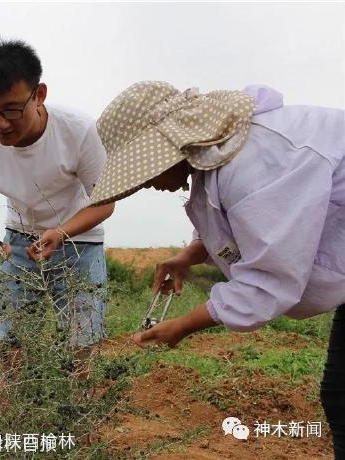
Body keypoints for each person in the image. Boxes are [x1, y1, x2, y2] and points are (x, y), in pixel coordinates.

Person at [89, 81, 344, 457]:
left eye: (145, 171)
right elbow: (244, 226)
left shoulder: (257, 162)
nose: (146, 184)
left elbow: (267, 282)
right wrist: (190, 255)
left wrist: (181, 326)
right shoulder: (224, 156)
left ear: (168, 148)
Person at [0, 39, 114, 348]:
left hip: (78, 241)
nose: (0, 124)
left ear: (39, 95)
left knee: (81, 344)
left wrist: (59, 232)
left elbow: (104, 204)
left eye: (12, 110)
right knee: (11, 344)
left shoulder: (79, 131)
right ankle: (11, 398)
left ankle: (79, 397)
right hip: (17, 244)